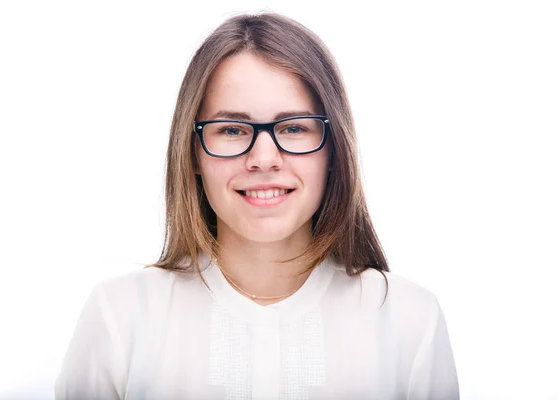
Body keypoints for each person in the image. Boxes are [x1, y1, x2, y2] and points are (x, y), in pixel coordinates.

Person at [54, 12, 459, 400]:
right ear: (192, 152)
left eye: (294, 127)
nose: (264, 158)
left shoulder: (409, 322)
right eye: (231, 129)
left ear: (334, 150)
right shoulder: (120, 318)